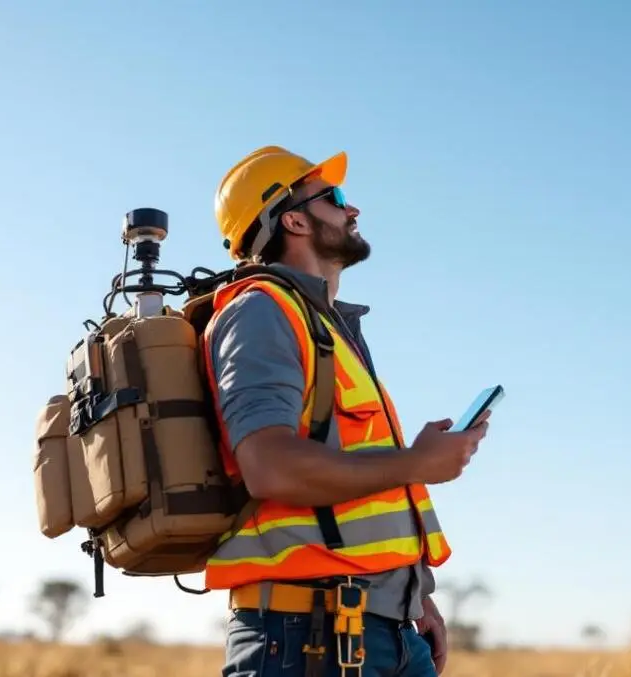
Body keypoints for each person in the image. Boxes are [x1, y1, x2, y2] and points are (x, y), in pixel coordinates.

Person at [201, 145, 490, 677]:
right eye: (333, 197)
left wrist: (412, 597)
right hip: (305, 639)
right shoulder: (261, 311)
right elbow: (270, 467)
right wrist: (417, 463)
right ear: (293, 220)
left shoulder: (328, 327)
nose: (351, 208)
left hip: (383, 630)